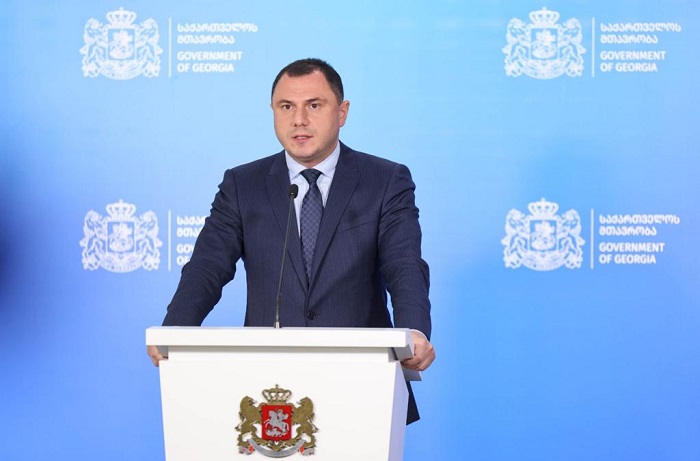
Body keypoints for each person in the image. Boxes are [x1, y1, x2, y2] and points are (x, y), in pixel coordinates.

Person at [147, 58, 435, 423]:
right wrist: (175, 329)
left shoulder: (385, 180)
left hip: (362, 382)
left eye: (314, 105)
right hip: (267, 388)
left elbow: (404, 264)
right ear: (272, 111)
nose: (299, 119)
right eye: (286, 107)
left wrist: (414, 331)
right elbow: (207, 266)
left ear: (342, 112)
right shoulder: (243, 185)